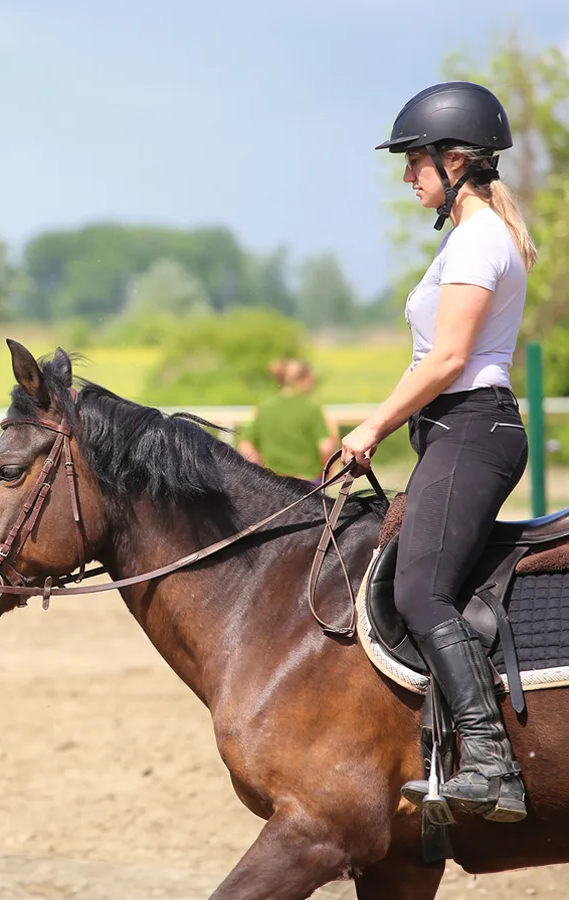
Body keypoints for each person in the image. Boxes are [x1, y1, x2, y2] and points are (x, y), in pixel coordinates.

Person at [341, 81, 537, 823]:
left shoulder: (481, 237)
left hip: (472, 428)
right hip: (455, 430)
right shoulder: (469, 235)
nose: (406, 177)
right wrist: (375, 426)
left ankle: (492, 764)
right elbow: (428, 357)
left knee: (421, 593)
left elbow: (449, 358)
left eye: (414, 163)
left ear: (455, 161)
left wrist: (372, 430)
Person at [238, 359, 338, 480]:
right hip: (307, 482)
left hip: (273, 482)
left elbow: (245, 447)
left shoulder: (262, 408)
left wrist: (260, 475)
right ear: (302, 379)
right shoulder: (313, 408)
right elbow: (326, 447)